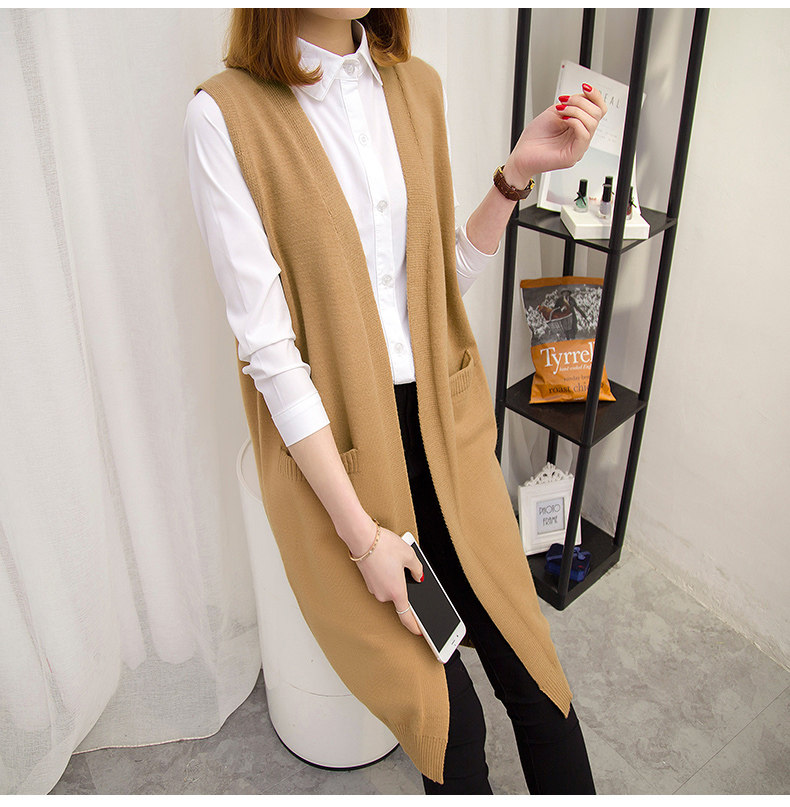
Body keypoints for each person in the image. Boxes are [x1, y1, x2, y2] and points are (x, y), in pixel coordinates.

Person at [184, 8, 606, 795]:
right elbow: (271, 354)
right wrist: (365, 541)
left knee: (535, 677)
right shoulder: (225, 116)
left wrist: (515, 174)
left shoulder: (417, 89)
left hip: (446, 438)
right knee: (449, 721)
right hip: (343, 468)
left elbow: (435, 285)